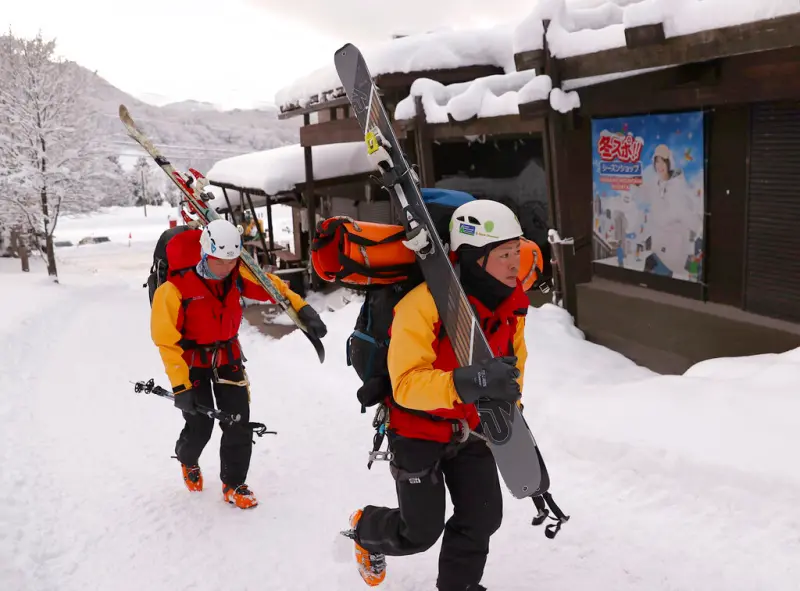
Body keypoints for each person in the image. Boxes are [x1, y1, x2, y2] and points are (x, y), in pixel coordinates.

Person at [343, 200, 529, 590]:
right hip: (417, 429)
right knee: (419, 533)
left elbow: (514, 367)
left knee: (481, 519)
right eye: (504, 255)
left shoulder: (510, 306)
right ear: (476, 259)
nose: (516, 264)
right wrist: (471, 380)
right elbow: (407, 386)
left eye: (518, 252)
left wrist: (508, 407)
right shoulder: (422, 305)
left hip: (471, 427)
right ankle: (366, 529)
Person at [150, 218, 327, 509]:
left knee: (238, 422)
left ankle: (234, 483)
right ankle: (187, 459)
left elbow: (274, 288)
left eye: (231, 261)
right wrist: (180, 387)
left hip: (228, 357)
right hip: (191, 362)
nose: (225, 268)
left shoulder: (237, 275)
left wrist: (301, 307)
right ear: (205, 252)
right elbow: (166, 342)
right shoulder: (173, 289)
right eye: (219, 261)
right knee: (200, 426)